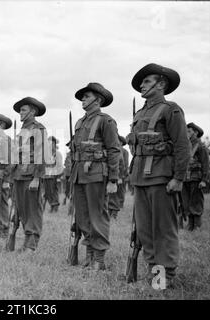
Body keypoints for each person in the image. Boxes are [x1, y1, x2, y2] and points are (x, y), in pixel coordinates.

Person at [129, 63, 190, 288]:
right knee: (145, 230)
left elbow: (182, 145)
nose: (141, 86)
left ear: (161, 84)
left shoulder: (170, 109)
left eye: (146, 81)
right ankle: (153, 271)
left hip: (162, 177)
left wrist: (179, 178)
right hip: (140, 178)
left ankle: (166, 276)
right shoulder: (140, 113)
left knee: (163, 229)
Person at [70, 83, 120, 270]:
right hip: (79, 175)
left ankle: (99, 258)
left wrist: (113, 179)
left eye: (87, 96)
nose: (83, 99)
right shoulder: (80, 122)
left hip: (97, 174)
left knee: (97, 216)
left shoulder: (106, 121)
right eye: (82, 97)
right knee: (83, 217)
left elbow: (114, 150)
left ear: (98, 100)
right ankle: (89, 254)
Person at [12, 97, 49, 252]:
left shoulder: (38, 128)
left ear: (33, 112)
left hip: (31, 175)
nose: (20, 113)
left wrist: (36, 178)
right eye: (20, 110)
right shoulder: (23, 130)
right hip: (19, 174)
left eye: (23, 110)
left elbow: (42, 154)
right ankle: (26, 241)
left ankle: (31, 244)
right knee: (22, 209)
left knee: (33, 209)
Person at [182, 122, 209, 230]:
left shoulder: (200, 146)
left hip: (196, 178)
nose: (187, 133)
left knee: (196, 201)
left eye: (189, 131)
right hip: (185, 178)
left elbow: (205, 164)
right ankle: (190, 224)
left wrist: (204, 180)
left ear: (196, 132)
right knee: (186, 201)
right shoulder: (185, 146)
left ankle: (197, 225)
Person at [108, 135, 128, 219]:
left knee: (117, 194)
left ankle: (114, 213)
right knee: (111, 194)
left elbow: (123, 164)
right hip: (111, 175)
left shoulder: (121, 151)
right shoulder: (114, 149)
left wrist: (120, 176)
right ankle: (111, 213)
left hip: (118, 175)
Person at [42, 136, 63, 213]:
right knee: (47, 192)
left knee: (53, 191)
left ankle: (55, 206)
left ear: (54, 144)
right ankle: (51, 205)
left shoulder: (57, 154)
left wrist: (58, 176)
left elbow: (59, 166)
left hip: (54, 176)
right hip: (46, 176)